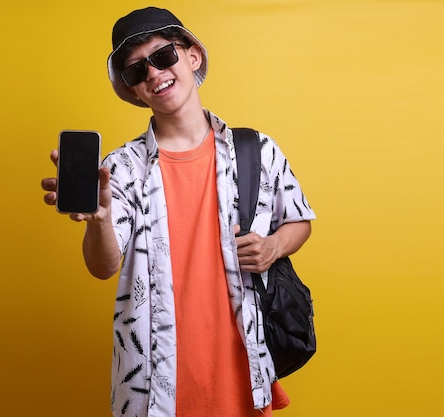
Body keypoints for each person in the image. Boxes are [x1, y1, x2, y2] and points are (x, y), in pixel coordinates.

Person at [41, 7, 315, 417]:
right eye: (136, 71)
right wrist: (98, 221)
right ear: (133, 90)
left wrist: (274, 246)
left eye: (163, 56)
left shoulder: (255, 150)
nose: (153, 74)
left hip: (244, 374)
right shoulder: (121, 170)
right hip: (154, 388)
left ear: (192, 57)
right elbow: (102, 266)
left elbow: (299, 220)